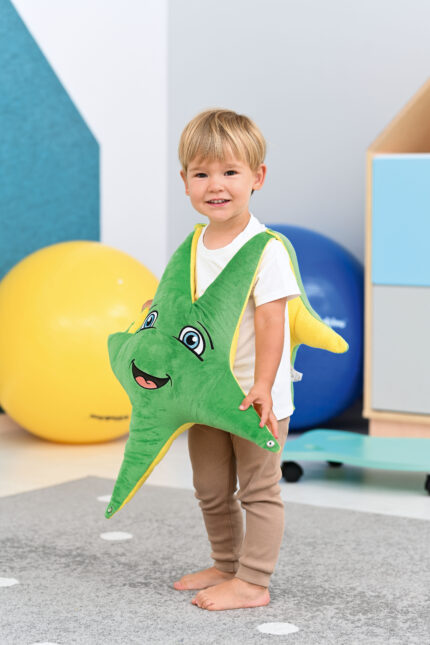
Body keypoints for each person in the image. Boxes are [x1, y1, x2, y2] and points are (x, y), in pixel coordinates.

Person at [144, 109, 300, 611]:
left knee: (258, 489)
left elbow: (273, 321)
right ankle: (226, 562)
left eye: (230, 171)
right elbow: (183, 304)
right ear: (185, 181)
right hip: (205, 393)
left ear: (257, 177)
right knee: (210, 487)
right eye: (202, 173)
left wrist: (263, 386)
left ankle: (253, 581)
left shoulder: (264, 250)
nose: (216, 185)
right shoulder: (194, 246)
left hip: (254, 396)